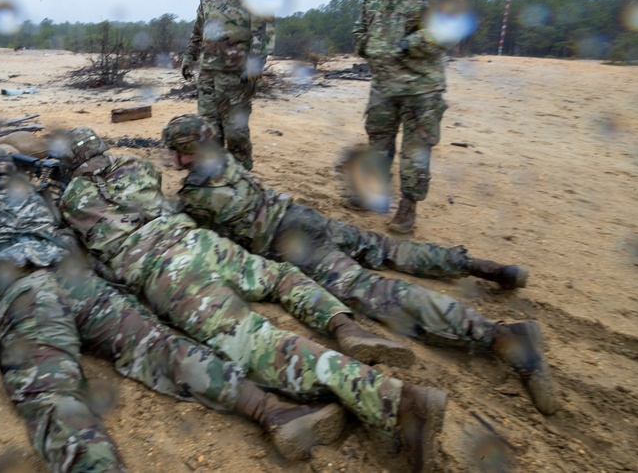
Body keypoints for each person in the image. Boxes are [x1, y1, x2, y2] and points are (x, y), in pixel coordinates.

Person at [0, 145, 354, 469]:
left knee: (53, 395)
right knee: (158, 344)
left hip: (24, 293)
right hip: (79, 281)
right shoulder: (31, 197)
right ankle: (272, 409)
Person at [54, 128, 447, 473]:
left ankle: (397, 401)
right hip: (198, 240)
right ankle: (343, 326)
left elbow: (78, 240)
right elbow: (150, 188)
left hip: (164, 270)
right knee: (278, 277)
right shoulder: (136, 166)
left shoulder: (72, 196)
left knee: (254, 342)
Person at [161, 113, 559, 416]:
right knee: (385, 248)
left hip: (296, 244)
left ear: (186, 151)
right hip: (303, 216)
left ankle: (501, 336)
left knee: (376, 292)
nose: (173, 158)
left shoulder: (196, 194)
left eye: (175, 151)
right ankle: (482, 267)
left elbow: (191, 232)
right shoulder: (225, 160)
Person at [351, 0, 461, 233]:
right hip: (384, 87)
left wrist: (407, 44)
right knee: (378, 145)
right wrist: (366, 45)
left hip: (421, 89)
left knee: (415, 152)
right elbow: (359, 31)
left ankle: (408, 208)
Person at [181, 0, 274, 170]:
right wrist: (190, 56)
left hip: (236, 76)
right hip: (208, 74)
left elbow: (263, 30)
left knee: (236, 136)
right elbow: (200, 24)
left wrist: (254, 68)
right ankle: (214, 188)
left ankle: (244, 189)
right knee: (208, 134)